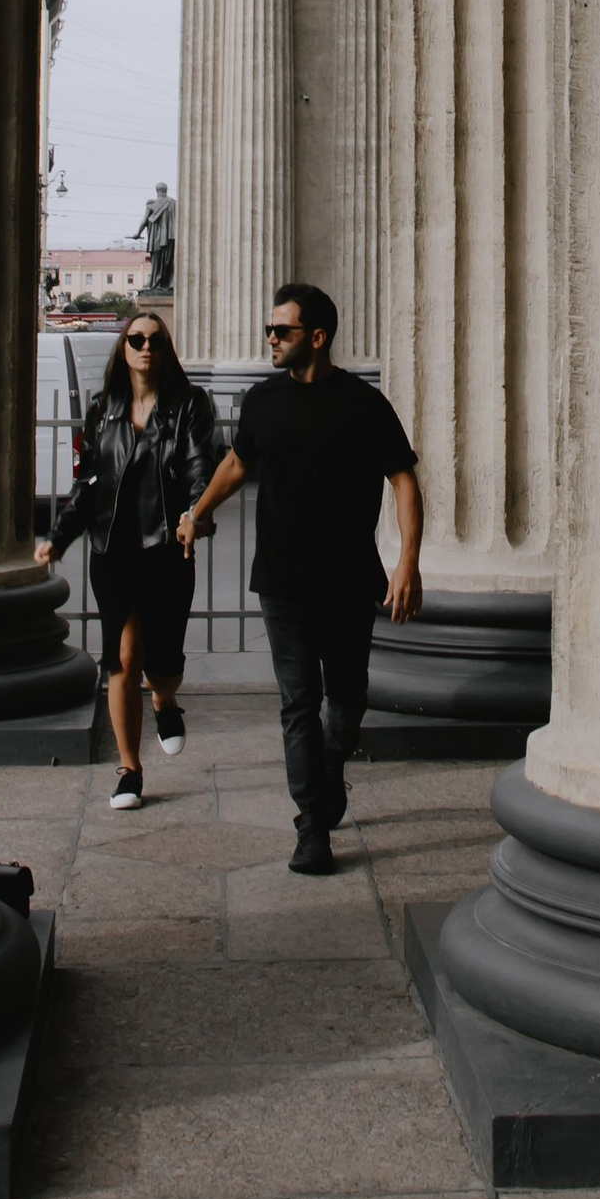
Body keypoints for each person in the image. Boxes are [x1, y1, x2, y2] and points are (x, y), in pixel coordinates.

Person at [180, 282, 421, 876]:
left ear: (316, 336)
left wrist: (408, 563)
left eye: (280, 330)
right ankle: (311, 826)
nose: (269, 338)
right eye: (269, 328)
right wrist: (197, 512)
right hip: (282, 579)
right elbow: (236, 463)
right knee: (298, 702)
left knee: (347, 702)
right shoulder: (262, 400)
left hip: (349, 579)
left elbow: (403, 481)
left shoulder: (364, 405)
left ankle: (330, 764)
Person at [35, 312, 220, 812]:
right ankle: (129, 770)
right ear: (123, 349)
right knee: (122, 655)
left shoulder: (189, 405)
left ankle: (164, 700)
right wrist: (58, 537)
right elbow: (87, 484)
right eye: (136, 339)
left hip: (166, 548)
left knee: (163, 666)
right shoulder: (104, 408)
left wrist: (195, 515)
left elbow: (201, 467)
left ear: (165, 350)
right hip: (112, 550)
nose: (145, 347)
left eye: (155, 341)